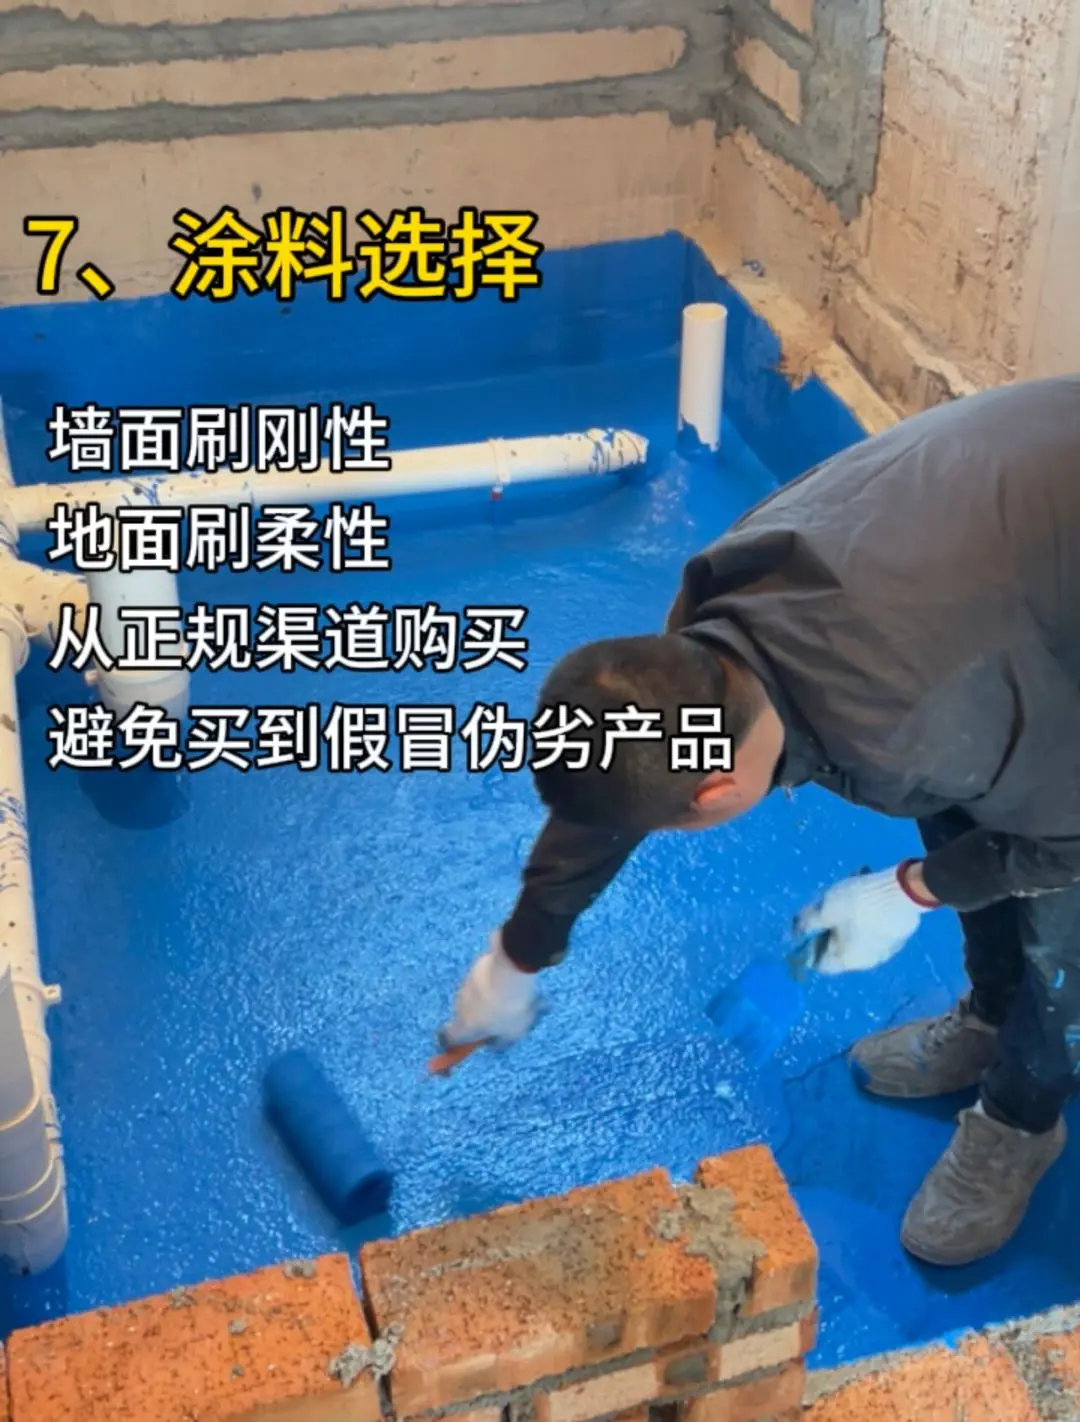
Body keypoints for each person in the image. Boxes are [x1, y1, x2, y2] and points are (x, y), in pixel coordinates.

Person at [438, 375, 1080, 1268]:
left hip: (1024, 586)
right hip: (1011, 548)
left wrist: (913, 890)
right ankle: (993, 1013)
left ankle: (1024, 1115)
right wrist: (519, 952)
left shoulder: (903, 716)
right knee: (963, 787)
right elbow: (619, 770)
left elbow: (1068, 838)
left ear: (714, 793)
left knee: (1058, 906)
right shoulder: (702, 624)